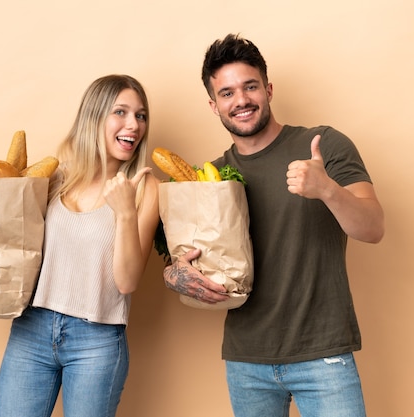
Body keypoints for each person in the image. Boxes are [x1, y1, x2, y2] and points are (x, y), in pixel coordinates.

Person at [163, 34, 385, 417]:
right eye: (228, 93)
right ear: (214, 105)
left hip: (323, 354)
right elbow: (181, 257)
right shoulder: (211, 182)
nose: (242, 100)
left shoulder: (324, 146)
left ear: (268, 89)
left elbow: (373, 227)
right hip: (247, 360)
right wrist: (175, 276)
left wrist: (327, 190)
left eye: (250, 87)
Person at [0, 74, 160, 417]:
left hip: (97, 339)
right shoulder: (54, 177)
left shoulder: (144, 188)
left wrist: (124, 212)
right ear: (94, 117)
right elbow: (7, 242)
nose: (133, 125)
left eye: (141, 115)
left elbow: (127, 282)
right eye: (120, 112)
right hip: (31, 329)